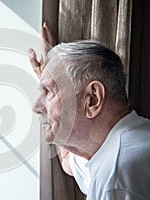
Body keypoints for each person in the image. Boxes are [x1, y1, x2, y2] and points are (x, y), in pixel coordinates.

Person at [28, 22, 150, 199]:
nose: (36, 107)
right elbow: (69, 162)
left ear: (92, 99)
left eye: (48, 92)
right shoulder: (121, 145)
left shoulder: (116, 178)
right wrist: (51, 77)